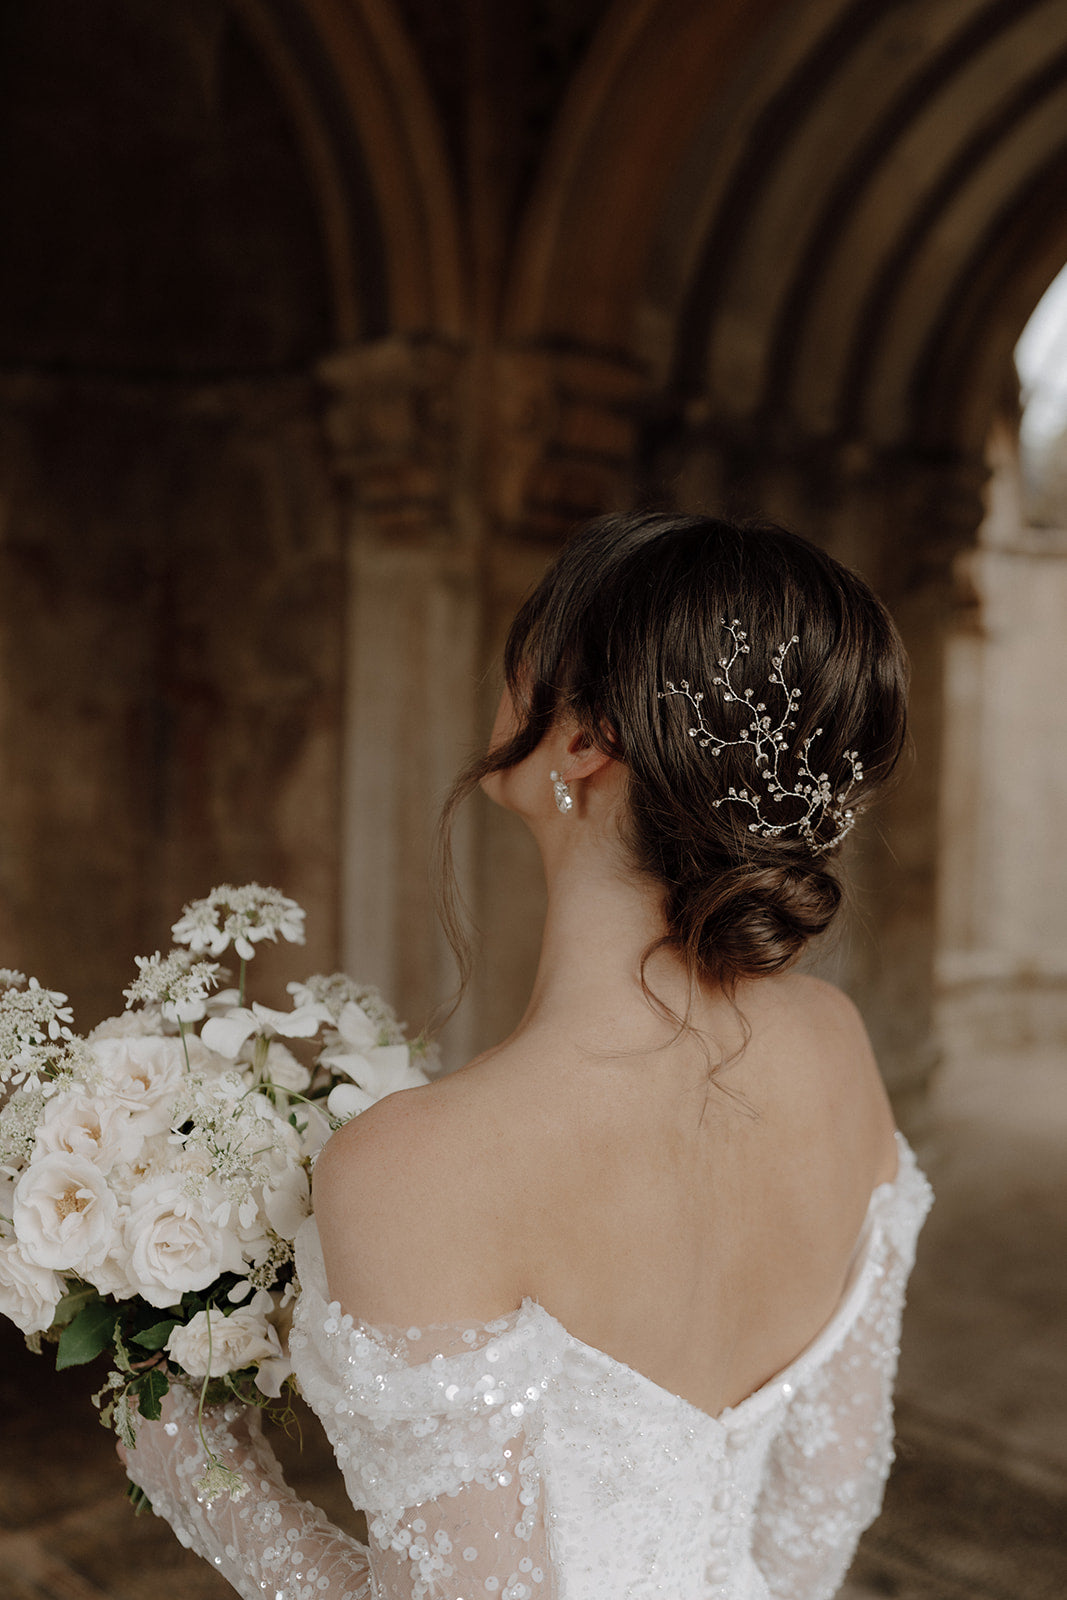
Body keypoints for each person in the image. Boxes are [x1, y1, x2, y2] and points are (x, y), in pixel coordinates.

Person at [123, 511, 933, 1600]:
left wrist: (196, 1469)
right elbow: (820, 1509)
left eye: (528, 647)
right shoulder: (835, 1048)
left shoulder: (423, 1167)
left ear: (585, 739)